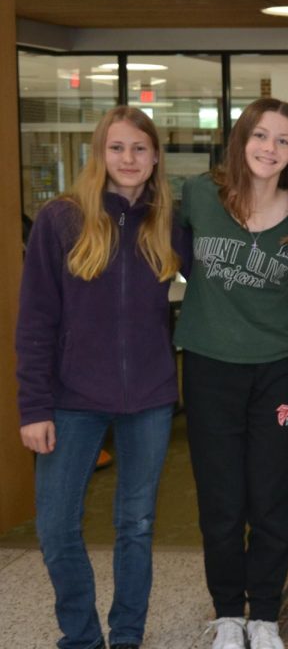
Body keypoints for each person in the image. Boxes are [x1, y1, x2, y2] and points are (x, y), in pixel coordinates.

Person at [16, 106, 187, 649]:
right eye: (117, 148)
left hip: (151, 399)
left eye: (140, 148)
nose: (129, 159)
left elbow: (231, 264)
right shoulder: (60, 219)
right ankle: (82, 637)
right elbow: (36, 319)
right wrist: (34, 407)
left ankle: (128, 637)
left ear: (156, 155)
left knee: (135, 526)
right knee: (56, 527)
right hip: (70, 400)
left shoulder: (168, 221)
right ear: (100, 153)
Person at [174, 98, 288, 649]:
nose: (269, 148)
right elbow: (170, 253)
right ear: (240, 140)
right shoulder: (198, 196)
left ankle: (264, 613)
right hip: (211, 365)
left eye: (283, 141)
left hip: (277, 369)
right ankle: (228, 614)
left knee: (272, 494)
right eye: (260, 136)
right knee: (221, 497)